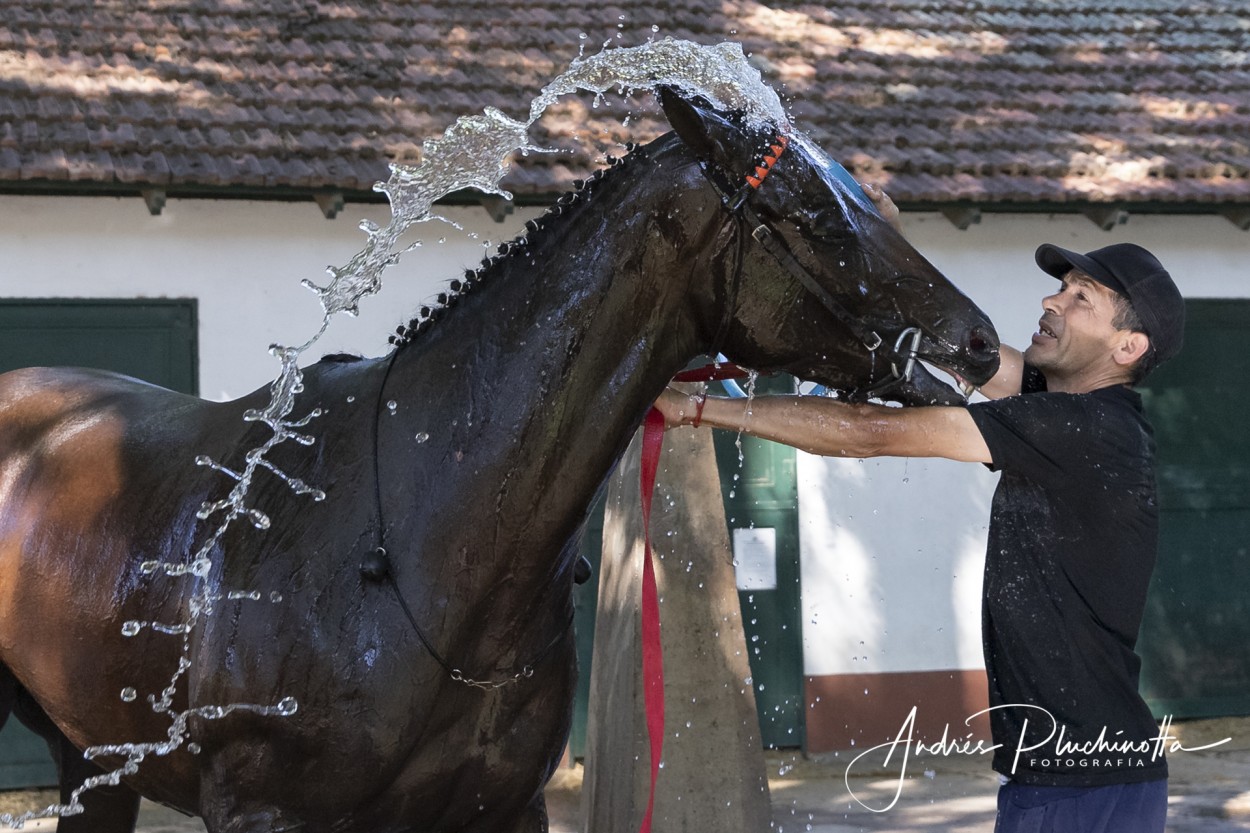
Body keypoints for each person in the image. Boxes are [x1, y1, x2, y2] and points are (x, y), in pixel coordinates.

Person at [654, 187, 1185, 833]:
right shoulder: (1075, 409)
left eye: (1081, 299)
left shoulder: (1082, 428)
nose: (1051, 301)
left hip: (1085, 783)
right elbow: (967, 349)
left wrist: (695, 408)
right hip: (1072, 774)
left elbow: (867, 431)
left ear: (1127, 348)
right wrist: (886, 245)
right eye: (1061, 287)